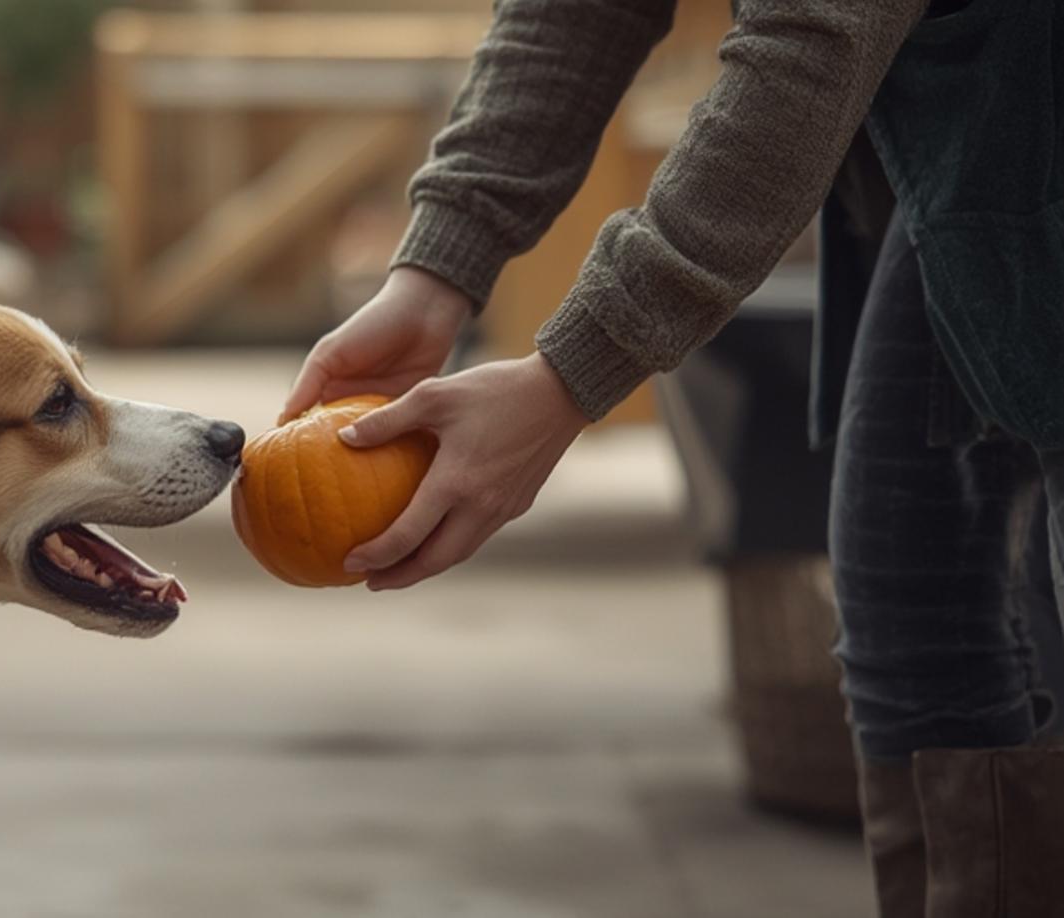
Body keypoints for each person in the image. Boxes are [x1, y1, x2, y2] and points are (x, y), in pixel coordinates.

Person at [282, 1, 1064, 914]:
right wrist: (436, 270)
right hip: (982, 121)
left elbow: (811, 37)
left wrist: (572, 372)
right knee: (913, 607)